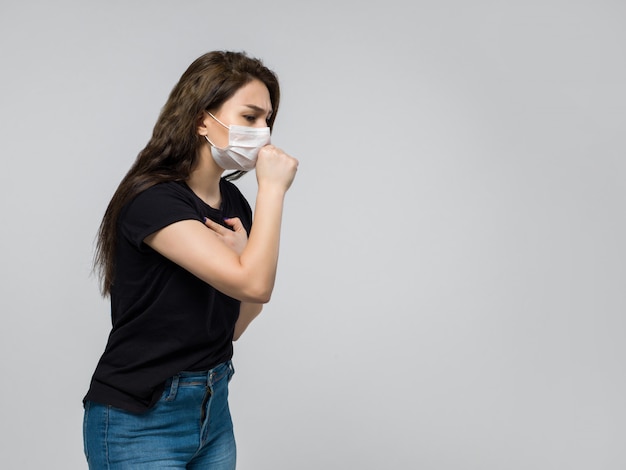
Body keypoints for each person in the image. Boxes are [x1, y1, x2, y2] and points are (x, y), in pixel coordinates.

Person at [83, 50, 298, 469]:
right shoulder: (154, 201)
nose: (265, 134)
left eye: (268, 120)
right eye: (251, 117)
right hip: (141, 418)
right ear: (202, 120)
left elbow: (237, 320)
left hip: (212, 410)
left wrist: (244, 259)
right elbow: (255, 284)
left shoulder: (232, 202)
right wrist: (271, 190)